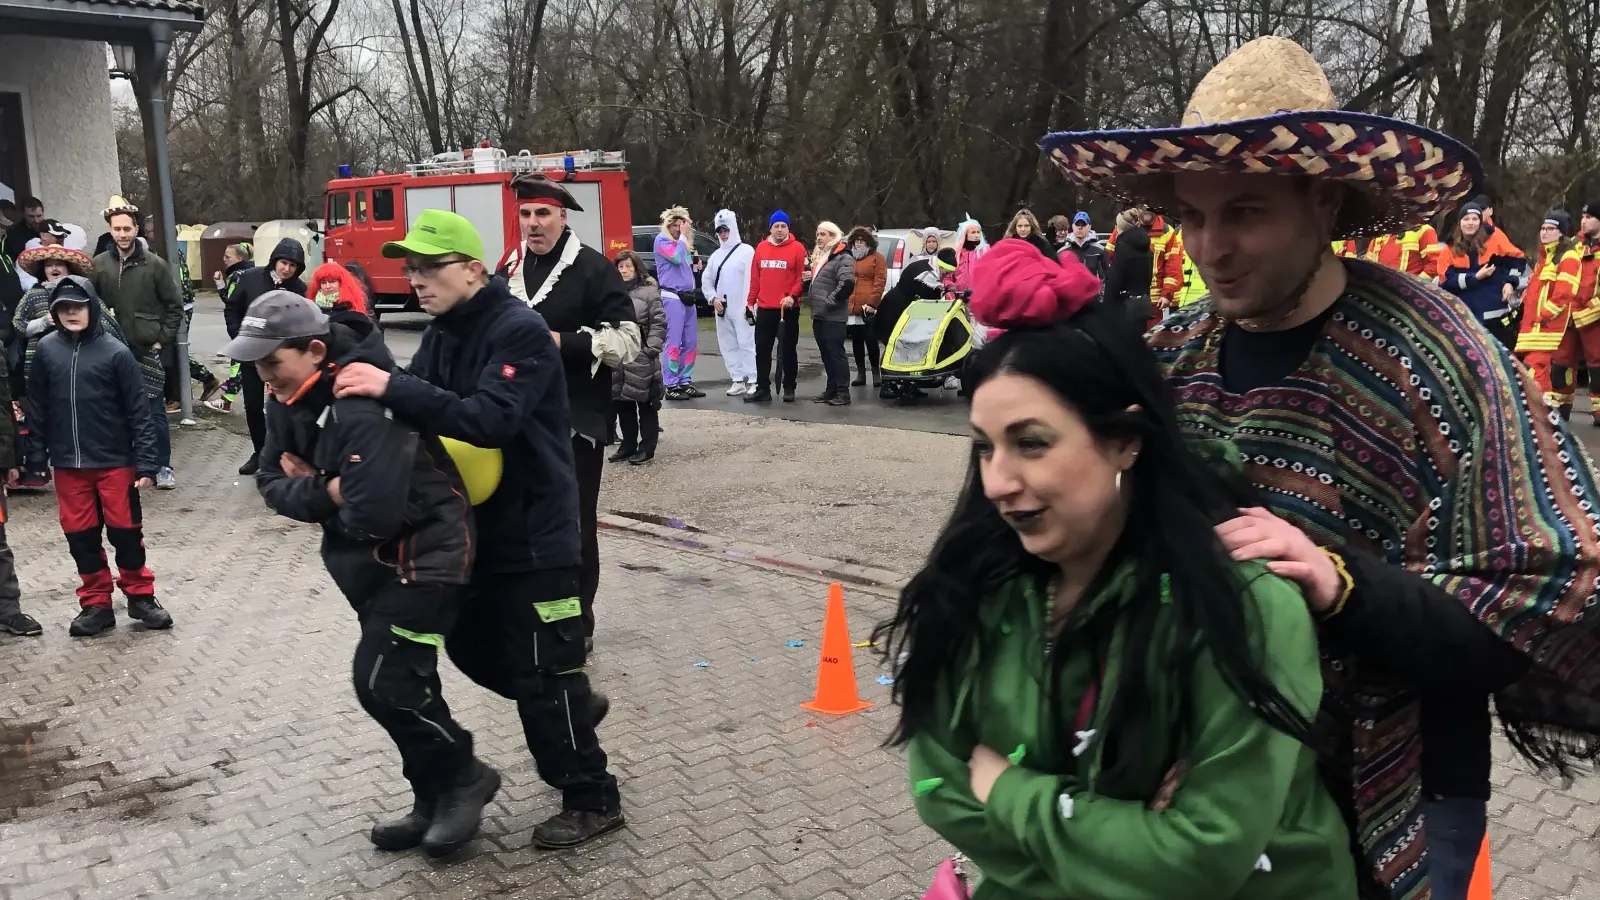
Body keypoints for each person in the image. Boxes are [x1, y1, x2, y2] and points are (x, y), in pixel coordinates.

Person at [1043, 34, 1600, 899]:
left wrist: (1343, 585)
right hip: (1205, 782)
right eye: (1190, 215)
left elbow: (1545, 599)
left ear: (1327, 203)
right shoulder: (1172, 356)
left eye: (1245, 211)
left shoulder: (1440, 357)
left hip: (1397, 797)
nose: (1209, 246)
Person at [880, 240, 1358, 900]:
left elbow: (1201, 860)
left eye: (1032, 443)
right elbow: (941, 790)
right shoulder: (978, 587)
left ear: (1126, 440)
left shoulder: (1242, 607)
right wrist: (1123, 850)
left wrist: (1010, 792)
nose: (997, 482)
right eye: (984, 449)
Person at [334, 209, 624, 849]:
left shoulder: (517, 329)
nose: (415, 280)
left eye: (429, 267)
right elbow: (418, 397)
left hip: (537, 533)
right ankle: (471, 769)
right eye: (409, 269)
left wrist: (393, 387)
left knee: (544, 672)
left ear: (472, 268)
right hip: (471, 529)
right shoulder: (444, 330)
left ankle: (592, 796)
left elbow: (490, 419)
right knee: (467, 648)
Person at [239, 290, 489, 858]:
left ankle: (465, 776)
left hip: (429, 555)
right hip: (369, 564)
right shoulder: (286, 397)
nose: (263, 375)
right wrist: (329, 486)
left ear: (315, 350)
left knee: (381, 681)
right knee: (407, 682)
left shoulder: (361, 400)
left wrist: (315, 486)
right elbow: (269, 483)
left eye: (272, 361)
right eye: (255, 363)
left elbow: (371, 511)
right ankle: (433, 797)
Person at [492, 174, 639, 648]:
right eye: (526, 215)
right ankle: (530, 616)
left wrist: (561, 342)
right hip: (516, 421)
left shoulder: (593, 269)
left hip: (574, 421)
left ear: (562, 217)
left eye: (543, 215)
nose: (533, 224)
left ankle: (575, 624)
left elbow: (628, 342)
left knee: (572, 528)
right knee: (520, 524)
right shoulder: (509, 268)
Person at [31, 276, 170, 637]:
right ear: (55, 312)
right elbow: (38, 407)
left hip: (115, 463)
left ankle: (141, 597)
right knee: (81, 538)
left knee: (126, 534)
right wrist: (34, 456)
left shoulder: (115, 352)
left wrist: (147, 463)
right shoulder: (46, 350)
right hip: (68, 464)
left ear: (92, 307)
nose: (71, 313)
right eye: (64, 307)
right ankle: (96, 604)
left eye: (78, 306)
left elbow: (139, 411)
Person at [89, 197, 182, 491]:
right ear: (110, 230)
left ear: (136, 228)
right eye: (117, 229)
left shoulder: (155, 265)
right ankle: (131, 464)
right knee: (118, 410)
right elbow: (90, 305)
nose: (123, 234)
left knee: (153, 411)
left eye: (127, 228)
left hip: (145, 350)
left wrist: (161, 340)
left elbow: (174, 307)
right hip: (109, 350)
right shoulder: (98, 265)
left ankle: (162, 465)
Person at [11, 246, 106, 489]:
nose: (54, 268)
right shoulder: (34, 295)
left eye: (59, 264)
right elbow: (18, 324)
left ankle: (80, 461)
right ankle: (38, 466)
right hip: (38, 365)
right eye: (49, 264)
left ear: (68, 268)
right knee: (39, 415)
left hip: (76, 364)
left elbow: (100, 320)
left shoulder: (82, 293)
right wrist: (42, 322)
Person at [226, 238, 307, 474]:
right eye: (283, 262)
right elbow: (232, 309)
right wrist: (239, 337)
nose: (286, 269)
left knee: (283, 407)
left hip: (282, 360)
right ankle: (259, 452)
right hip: (252, 355)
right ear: (274, 261)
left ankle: (283, 455)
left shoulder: (299, 290)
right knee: (252, 406)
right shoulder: (250, 278)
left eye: (292, 266)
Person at [1514, 210, 1586, 417]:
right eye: (1543, 228)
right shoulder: (1544, 258)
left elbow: (1564, 293)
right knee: (1537, 373)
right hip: (1534, 328)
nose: (1545, 233)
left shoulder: (1568, 256)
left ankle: (1539, 415)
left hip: (1547, 328)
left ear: (1561, 233)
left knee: (1535, 370)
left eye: (1551, 229)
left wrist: (1544, 315)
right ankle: (1542, 415)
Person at [1439, 201, 1525, 349]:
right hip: (1465, 319)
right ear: (1460, 222)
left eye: (1474, 219)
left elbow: (1518, 261)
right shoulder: (1449, 248)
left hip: (1496, 319)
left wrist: (1510, 282)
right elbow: (1446, 282)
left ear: (1480, 221)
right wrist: (1474, 278)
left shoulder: (1495, 239)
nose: (1470, 223)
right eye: (1466, 219)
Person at [610, 250, 666, 464]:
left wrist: (651, 349)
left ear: (636, 269)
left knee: (646, 405)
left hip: (642, 356)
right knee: (623, 404)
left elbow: (659, 323)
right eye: (620, 267)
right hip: (619, 356)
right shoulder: (612, 293)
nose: (623, 270)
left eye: (627, 266)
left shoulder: (650, 293)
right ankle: (628, 445)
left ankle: (647, 447)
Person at [746, 211, 807, 403]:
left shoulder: (798, 249)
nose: (780, 230)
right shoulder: (761, 248)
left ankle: (789, 386)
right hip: (765, 308)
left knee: (788, 349)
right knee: (762, 350)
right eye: (776, 226)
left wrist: (792, 295)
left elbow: (801, 277)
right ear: (770, 228)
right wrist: (750, 302)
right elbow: (755, 279)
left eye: (783, 226)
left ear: (788, 228)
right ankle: (763, 388)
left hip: (787, 308)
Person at [652, 206, 703, 400]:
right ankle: (671, 383)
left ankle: (684, 379)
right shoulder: (662, 241)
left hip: (688, 296)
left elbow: (684, 266)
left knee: (689, 342)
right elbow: (675, 257)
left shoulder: (684, 244)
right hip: (672, 297)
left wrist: (696, 269)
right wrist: (682, 238)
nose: (679, 229)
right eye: (676, 225)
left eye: (682, 225)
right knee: (674, 341)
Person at [705, 209, 756, 395]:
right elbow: (707, 280)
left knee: (747, 343)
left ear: (733, 229)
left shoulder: (747, 252)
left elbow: (752, 280)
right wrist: (713, 298)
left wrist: (749, 304)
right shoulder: (715, 256)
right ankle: (737, 378)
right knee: (727, 344)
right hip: (723, 309)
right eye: (720, 231)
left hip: (742, 307)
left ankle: (753, 379)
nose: (723, 235)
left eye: (726, 230)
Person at [808, 223, 856, 406]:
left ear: (833, 236)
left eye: (823, 234)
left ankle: (843, 392)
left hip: (833, 315)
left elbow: (847, 283)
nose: (819, 238)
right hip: (819, 314)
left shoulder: (843, 257)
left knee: (836, 353)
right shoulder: (823, 257)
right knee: (826, 354)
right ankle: (832, 388)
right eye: (817, 234)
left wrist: (830, 301)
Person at [1563, 201, 1600, 425]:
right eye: (1582, 216)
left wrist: (1587, 312)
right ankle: (1560, 407)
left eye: (1589, 217)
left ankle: (1598, 411)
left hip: (1594, 317)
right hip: (1570, 315)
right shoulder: (1575, 246)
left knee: (1597, 366)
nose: (1584, 220)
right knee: (1562, 364)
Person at [845, 226, 885, 388]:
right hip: (852, 304)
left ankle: (875, 372)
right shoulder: (849, 257)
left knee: (871, 339)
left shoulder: (877, 257)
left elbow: (879, 282)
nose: (859, 244)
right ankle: (861, 372)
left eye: (862, 241)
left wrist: (872, 303)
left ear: (868, 242)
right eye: (856, 241)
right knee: (856, 340)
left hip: (867, 305)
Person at [1057, 211, 1108, 289]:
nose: (1080, 228)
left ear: (1089, 227)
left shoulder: (1100, 251)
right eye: (1077, 224)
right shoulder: (1062, 252)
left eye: (1083, 225)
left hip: (1093, 298)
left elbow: (1105, 278)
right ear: (1073, 226)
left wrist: (1100, 299)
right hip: (1071, 298)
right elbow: (1059, 280)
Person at [305, 261, 371, 314]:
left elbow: (373, 328)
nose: (327, 286)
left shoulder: (355, 301)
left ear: (341, 283)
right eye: (323, 283)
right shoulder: (313, 306)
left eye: (332, 282)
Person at [949, 215, 988, 293]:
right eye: (973, 232)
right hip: (959, 296)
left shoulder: (985, 252)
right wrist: (950, 286)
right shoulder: (956, 254)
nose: (977, 235)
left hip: (978, 295)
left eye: (978, 232)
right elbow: (947, 276)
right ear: (965, 235)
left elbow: (991, 275)